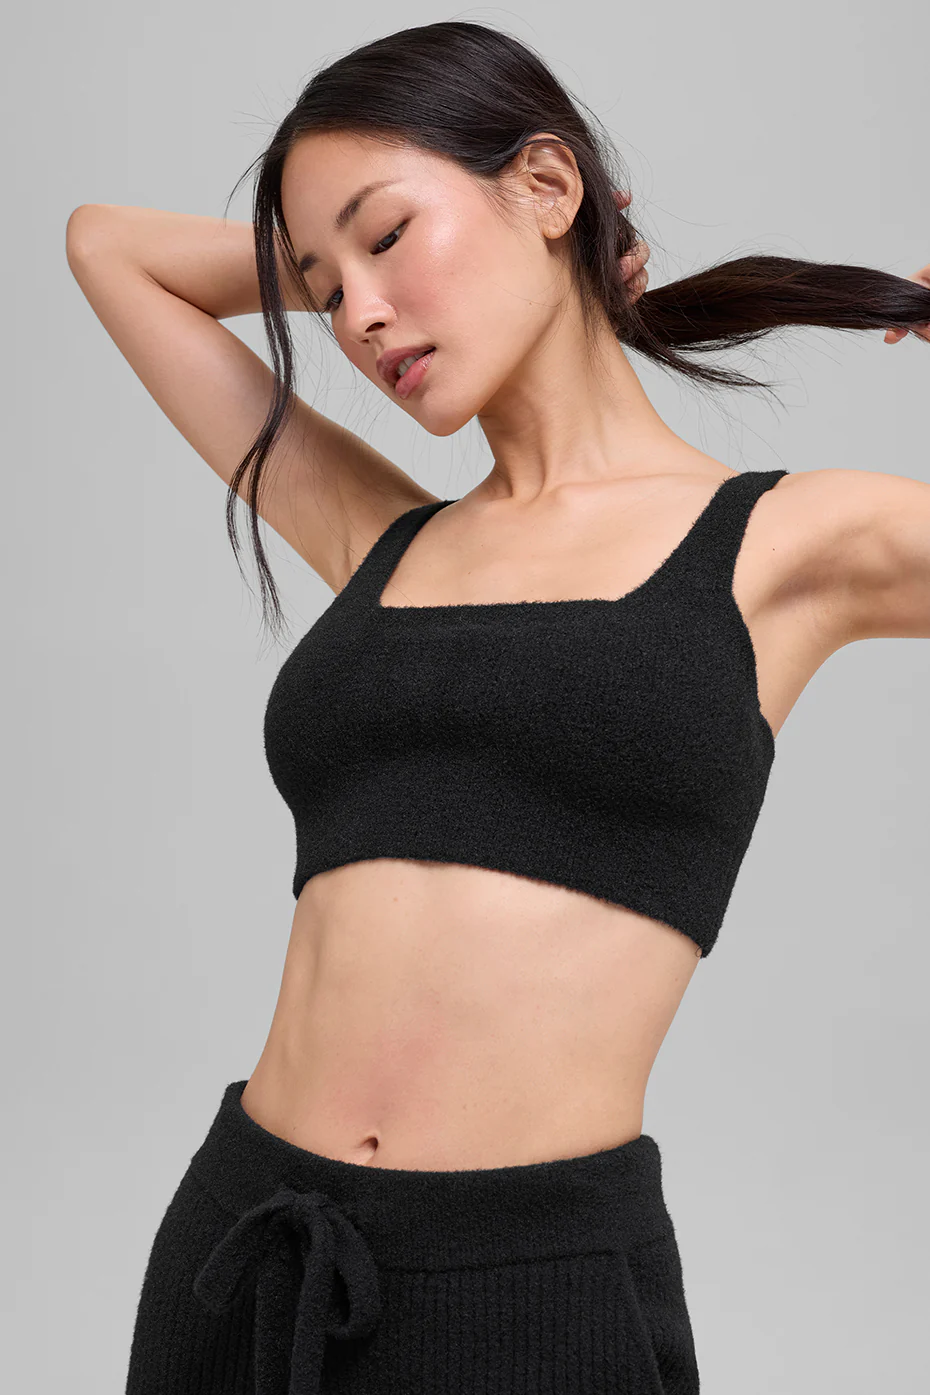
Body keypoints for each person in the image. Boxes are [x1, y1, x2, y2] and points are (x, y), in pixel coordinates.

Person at [66, 19, 930, 1395]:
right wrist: (347, 255)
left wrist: (509, 251)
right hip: (245, 1241)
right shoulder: (382, 535)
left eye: (387, 236)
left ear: (546, 183)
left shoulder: (786, 543)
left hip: (529, 1284)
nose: (355, 317)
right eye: (321, 288)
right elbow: (106, 246)